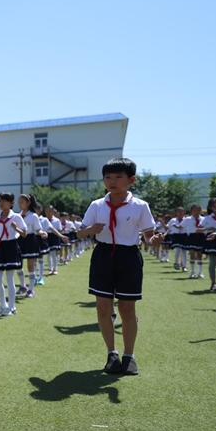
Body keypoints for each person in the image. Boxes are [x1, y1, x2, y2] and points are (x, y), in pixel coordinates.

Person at [77, 158, 161, 376]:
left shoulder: (140, 206)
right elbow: (80, 232)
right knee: (103, 307)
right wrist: (90, 230)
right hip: (103, 255)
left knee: (127, 308)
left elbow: (148, 235)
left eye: (118, 177)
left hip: (129, 256)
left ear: (131, 180)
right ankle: (111, 354)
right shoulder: (96, 205)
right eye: (108, 177)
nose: (112, 181)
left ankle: (129, 356)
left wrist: (154, 241)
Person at [0, 192, 26, 316]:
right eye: (0, 201)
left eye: (4, 201)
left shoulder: (16, 217)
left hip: (11, 246)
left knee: (9, 279)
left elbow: (24, 233)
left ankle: (12, 306)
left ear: (12, 203)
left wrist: (16, 228)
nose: (1, 203)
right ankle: (3, 304)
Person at [16, 193, 43, 298]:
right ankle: (23, 286)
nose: (20, 204)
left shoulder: (33, 215)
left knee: (30, 265)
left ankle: (31, 289)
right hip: (19, 240)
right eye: (19, 202)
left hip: (30, 240)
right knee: (18, 265)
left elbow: (38, 229)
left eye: (22, 202)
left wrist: (42, 233)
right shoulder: (17, 215)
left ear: (28, 203)